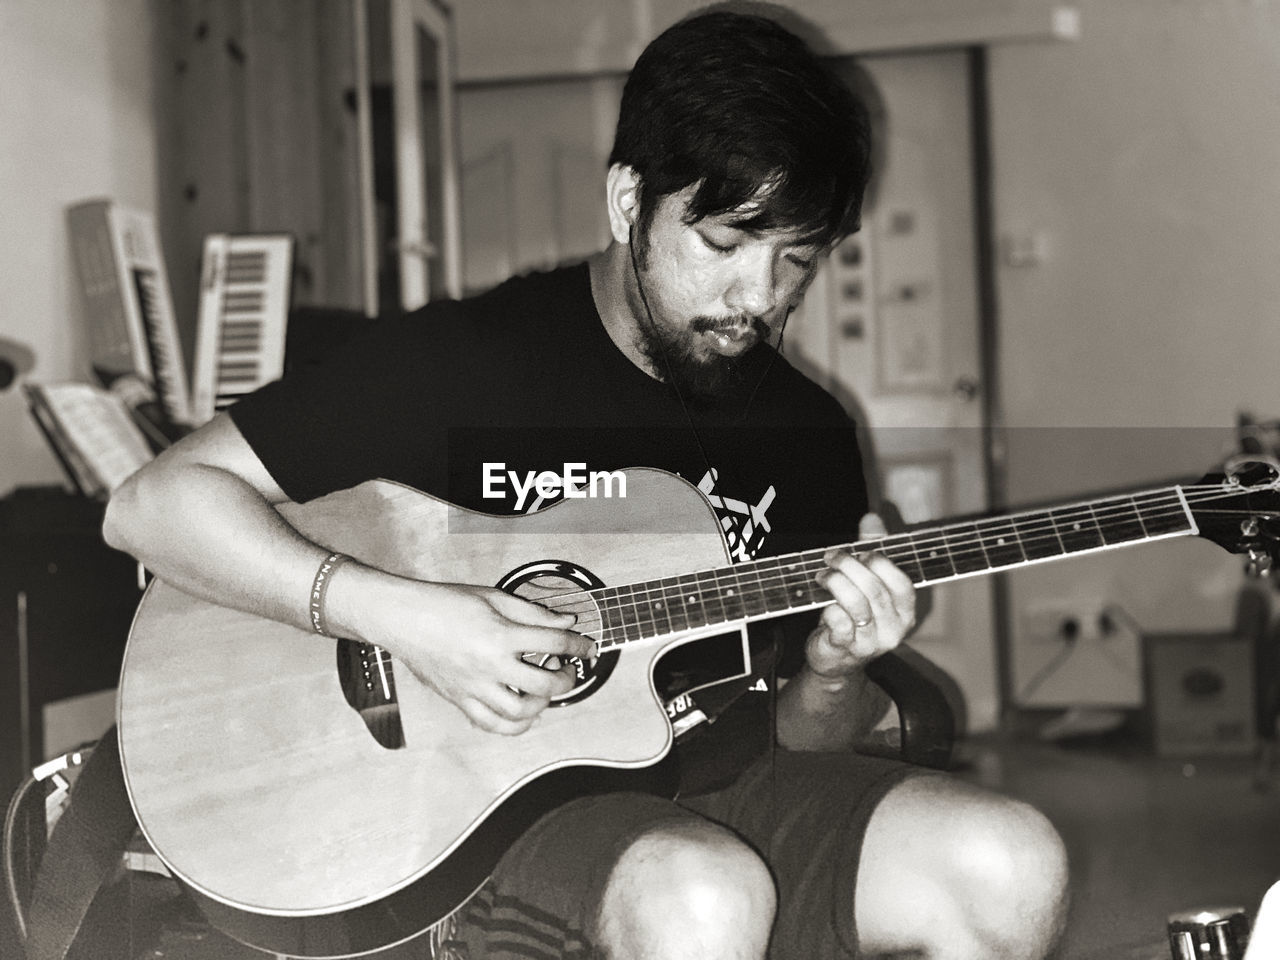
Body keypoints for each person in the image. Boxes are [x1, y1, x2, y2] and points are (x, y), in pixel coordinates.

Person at [104, 7, 1068, 959]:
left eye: (797, 260)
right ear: (626, 204)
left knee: (1010, 861)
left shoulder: (808, 435)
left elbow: (804, 745)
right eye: (726, 246)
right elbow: (152, 506)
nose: (761, 300)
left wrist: (836, 665)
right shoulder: (460, 361)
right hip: (483, 820)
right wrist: (406, 617)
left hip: (721, 793)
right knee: (702, 895)